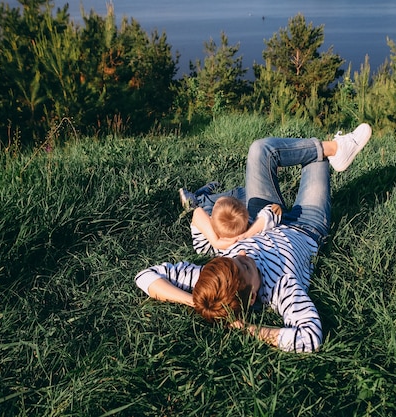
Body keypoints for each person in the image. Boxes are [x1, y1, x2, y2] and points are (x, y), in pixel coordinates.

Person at [135, 123, 372, 353]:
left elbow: (145, 276)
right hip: (306, 226)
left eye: (235, 257)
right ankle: (334, 148)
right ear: (254, 296)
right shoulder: (283, 288)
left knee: (260, 149)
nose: (243, 253)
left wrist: (196, 302)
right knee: (316, 159)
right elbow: (309, 339)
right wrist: (248, 329)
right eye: (247, 266)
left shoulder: (215, 277)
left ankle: (336, 148)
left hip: (262, 217)